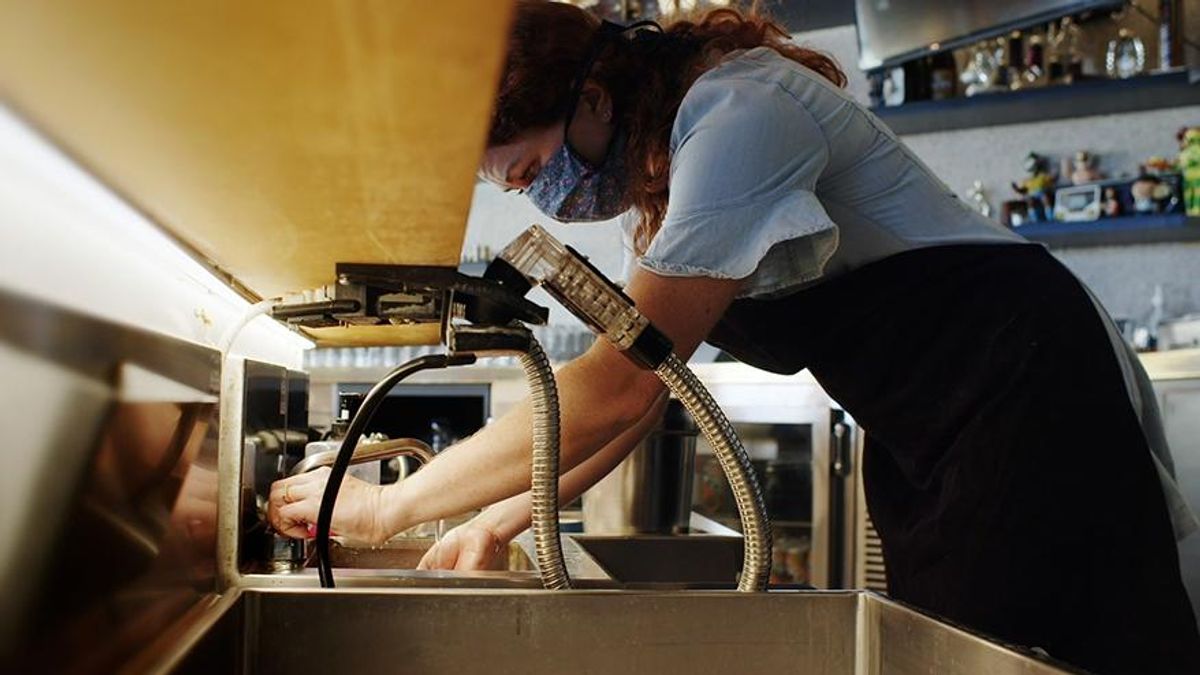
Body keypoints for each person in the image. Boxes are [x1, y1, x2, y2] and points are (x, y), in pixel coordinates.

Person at [269, 2, 1200, 672]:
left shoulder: (739, 116)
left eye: (532, 168)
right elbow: (655, 383)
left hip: (1023, 375)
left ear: (594, 94)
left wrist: (384, 508)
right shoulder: (680, 165)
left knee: (1057, 642)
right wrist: (495, 518)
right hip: (931, 419)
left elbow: (615, 386)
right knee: (960, 649)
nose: (534, 195)